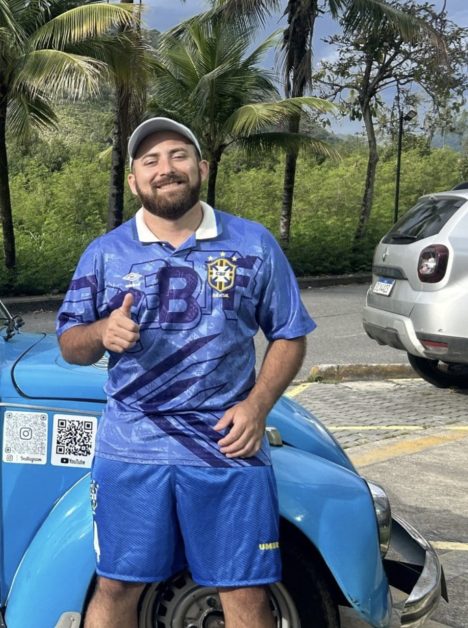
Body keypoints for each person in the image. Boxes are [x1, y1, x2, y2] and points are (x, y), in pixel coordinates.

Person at [57, 117, 314, 628]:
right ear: (134, 181)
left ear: (202, 168)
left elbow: (290, 333)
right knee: (117, 584)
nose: (165, 169)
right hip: (132, 446)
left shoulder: (253, 243)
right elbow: (70, 345)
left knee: (245, 590)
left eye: (177, 155)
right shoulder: (105, 253)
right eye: (150, 160)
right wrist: (101, 331)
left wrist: (257, 407)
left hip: (226, 445)